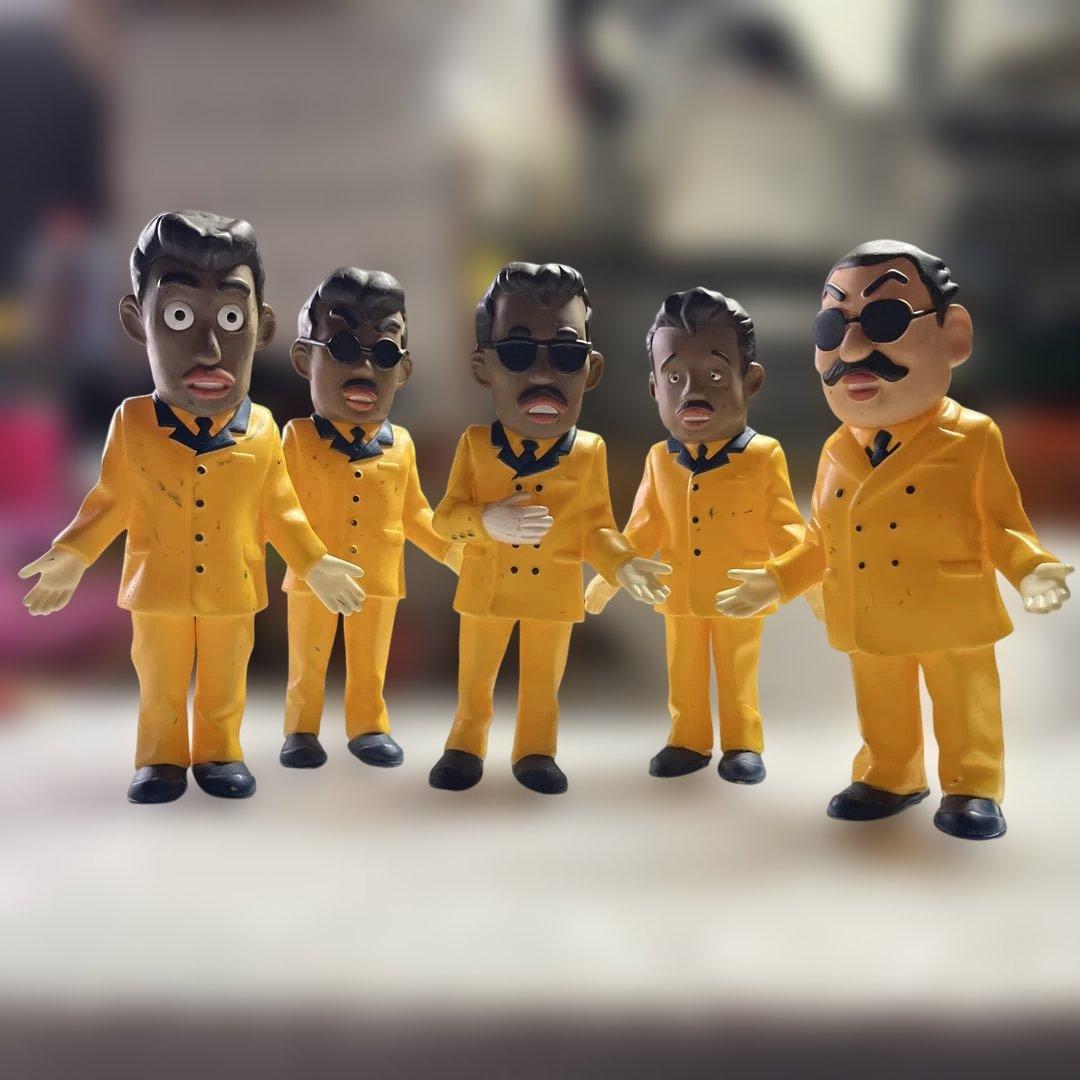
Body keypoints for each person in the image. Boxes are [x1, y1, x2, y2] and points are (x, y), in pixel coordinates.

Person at [717, 240, 1073, 839]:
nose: (853, 348)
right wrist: (776, 581)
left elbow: (1002, 523)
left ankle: (972, 785)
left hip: (950, 610)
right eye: (832, 326)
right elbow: (823, 540)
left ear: (953, 336)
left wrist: (1030, 568)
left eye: (884, 319)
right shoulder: (837, 449)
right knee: (881, 705)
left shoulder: (971, 439)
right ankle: (891, 774)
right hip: (868, 610)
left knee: (963, 703)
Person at [19, 210, 364, 803]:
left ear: (261, 326)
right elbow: (109, 502)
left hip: (234, 588)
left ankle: (219, 752)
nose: (209, 349)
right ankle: (160, 758)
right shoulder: (132, 425)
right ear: (138, 322)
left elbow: (281, 510)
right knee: (160, 679)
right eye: (178, 317)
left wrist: (315, 562)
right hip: (156, 589)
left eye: (231, 319)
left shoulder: (263, 430)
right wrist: (73, 554)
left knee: (225, 678)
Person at [428, 262, 671, 795]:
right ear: (483, 366)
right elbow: (444, 519)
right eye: (517, 352)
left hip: (553, 594)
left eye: (564, 353)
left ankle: (536, 749)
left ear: (590, 369)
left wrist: (622, 563)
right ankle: (465, 743)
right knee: (476, 677)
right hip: (486, 590)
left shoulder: (588, 453)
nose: (542, 373)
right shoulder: (475, 447)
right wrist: (486, 520)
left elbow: (596, 527)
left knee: (543, 681)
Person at [585, 288, 805, 784]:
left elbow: (785, 523)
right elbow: (643, 526)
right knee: (683, 669)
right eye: (674, 378)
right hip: (678, 590)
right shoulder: (660, 460)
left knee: (737, 667)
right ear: (654, 388)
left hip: (739, 590)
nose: (692, 392)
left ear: (751, 381)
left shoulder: (763, 456)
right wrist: (609, 577)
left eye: (714, 376)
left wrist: (803, 578)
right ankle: (687, 737)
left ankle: (742, 743)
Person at [280, 267, 460, 770]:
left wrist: (451, 552)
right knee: (307, 658)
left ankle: (368, 726)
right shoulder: (296, 440)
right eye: (341, 348)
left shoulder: (401, 445)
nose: (363, 367)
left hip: (378, 576)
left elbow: (414, 512)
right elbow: (277, 508)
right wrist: (303, 559)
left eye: (382, 353)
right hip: (313, 576)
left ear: (402, 369)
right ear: (305, 359)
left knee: (371, 662)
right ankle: (301, 728)